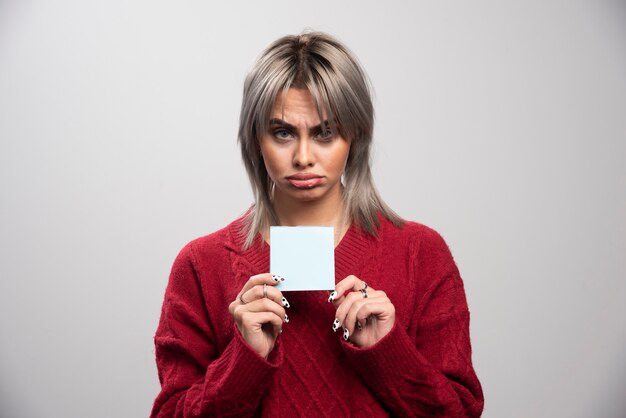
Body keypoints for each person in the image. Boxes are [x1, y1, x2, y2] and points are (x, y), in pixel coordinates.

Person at [150, 32, 484, 417]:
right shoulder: (201, 264)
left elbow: (460, 412)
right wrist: (243, 361)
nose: (303, 157)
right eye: (283, 132)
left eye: (325, 133)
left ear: (355, 135)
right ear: (255, 139)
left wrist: (388, 351)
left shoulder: (421, 253)